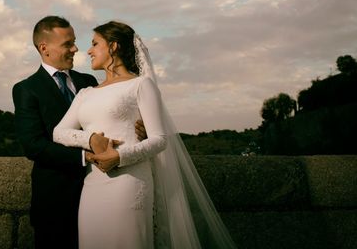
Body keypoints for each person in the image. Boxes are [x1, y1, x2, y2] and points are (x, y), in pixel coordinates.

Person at [53, 21, 237, 249]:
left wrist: (119, 157)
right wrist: (89, 140)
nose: (88, 50)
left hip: (128, 185)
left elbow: (159, 139)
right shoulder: (85, 93)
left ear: (113, 46)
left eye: (94, 44)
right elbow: (58, 132)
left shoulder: (140, 85)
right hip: (92, 187)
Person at [12, 16, 146, 248]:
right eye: (68, 44)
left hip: (102, 191)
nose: (75, 49)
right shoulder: (27, 89)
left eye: (74, 42)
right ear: (44, 48)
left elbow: (112, 121)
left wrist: (139, 131)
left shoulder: (88, 81)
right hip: (56, 198)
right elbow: (34, 144)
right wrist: (86, 156)